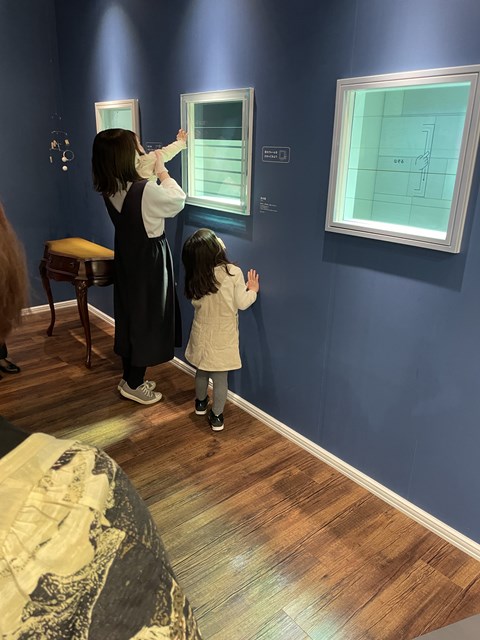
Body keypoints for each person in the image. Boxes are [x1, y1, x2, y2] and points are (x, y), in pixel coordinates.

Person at [0, 201, 202, 639]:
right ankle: (133, 382)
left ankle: (133, 379)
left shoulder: (118, 193)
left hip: (136, 264)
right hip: (147, 267)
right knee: (145, 326)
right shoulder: (84, 484)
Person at [92, 128, 186, 405]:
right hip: (149, 258)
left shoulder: (111, 183)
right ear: (126, 154)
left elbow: (150, 160)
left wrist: (177, 145)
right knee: (148, 319)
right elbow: (177, 200)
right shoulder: (144, 190)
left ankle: (129, 378)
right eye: (137, 146)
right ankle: (134, 383)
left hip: (127, 256)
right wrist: (163, 173)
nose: (142, 149)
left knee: (131, 316)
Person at [182, 228, 259, 431]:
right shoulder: (233, 272)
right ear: (215, 248)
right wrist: (252, 290)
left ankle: (200, 404)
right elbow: (241, 303)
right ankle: (217, 416)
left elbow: (196, 302)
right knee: (220, 379)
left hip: (201, 332)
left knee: (201, 371)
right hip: (223, 336)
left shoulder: (197, 275)